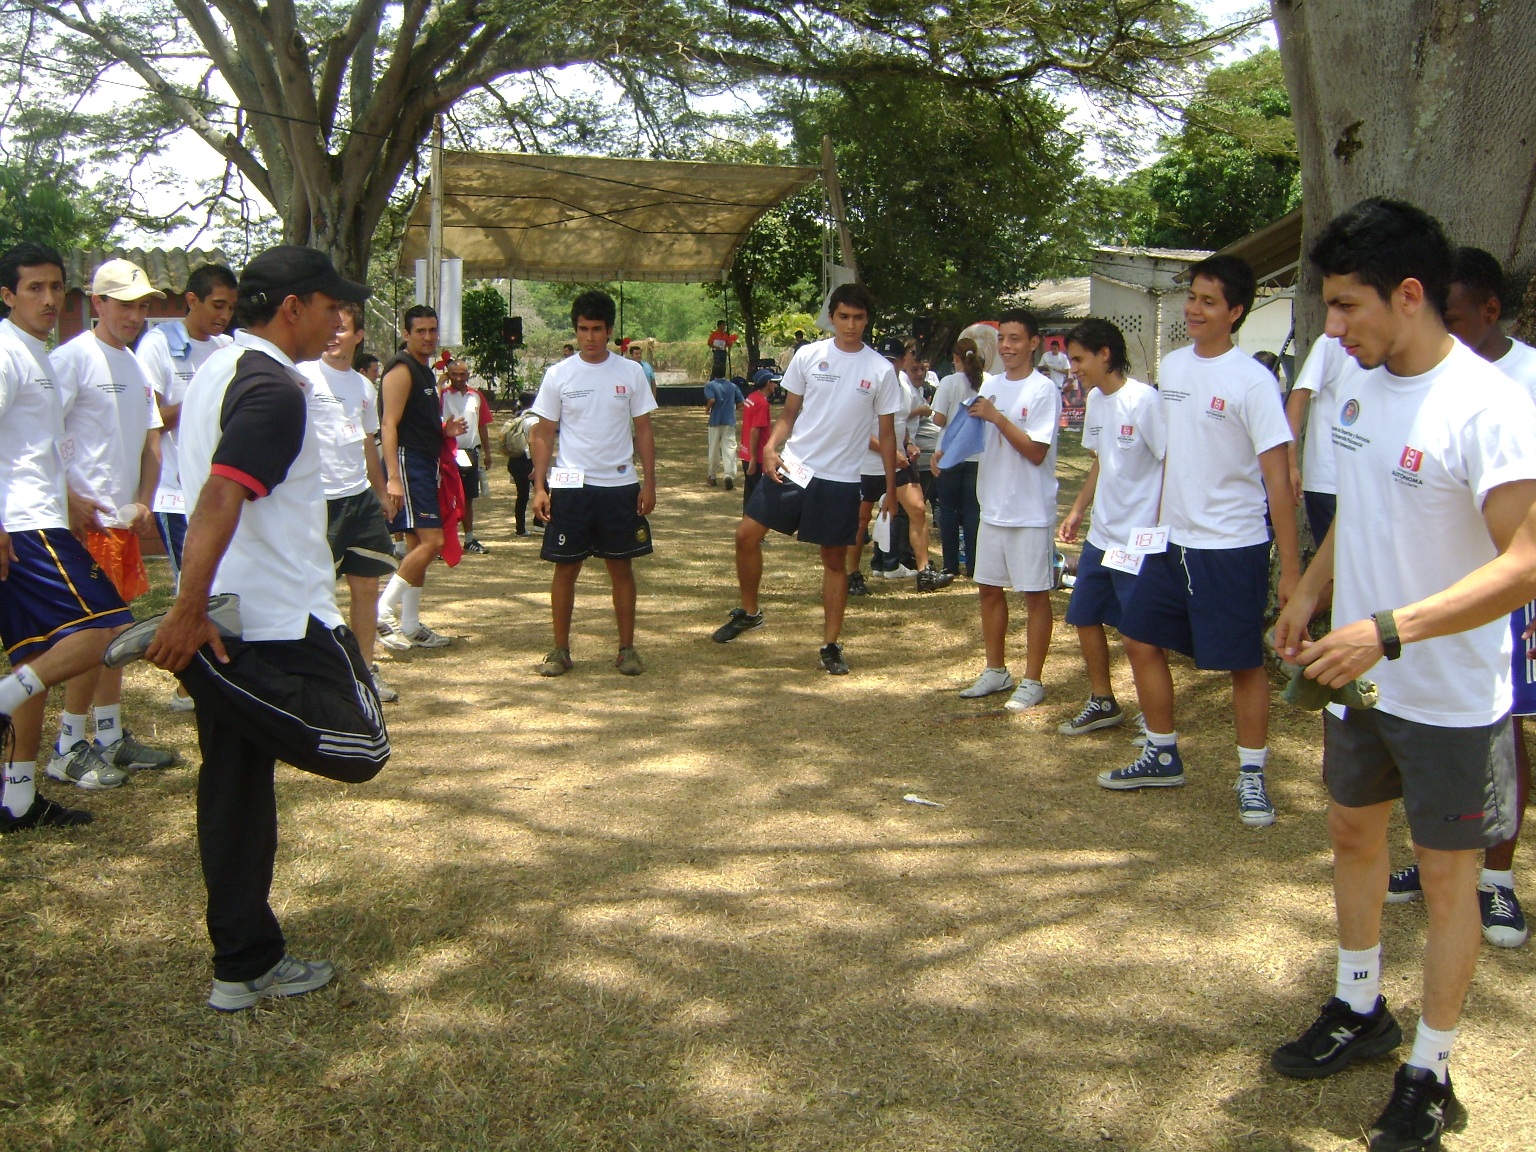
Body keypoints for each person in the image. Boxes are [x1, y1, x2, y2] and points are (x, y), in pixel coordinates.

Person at [1269, 199, 1536, 1152]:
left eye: (1347, 305)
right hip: (1362, 678)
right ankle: (1359, 1007)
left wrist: (1386, 631)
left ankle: (1431, 1068)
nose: (1333, 328)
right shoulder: (1359, 383)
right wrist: (1309, 592)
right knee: (1352, 832)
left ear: (1410, 294)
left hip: (1450, 693)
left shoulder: (1491, 407)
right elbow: (1367, 507)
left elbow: (1525, 564)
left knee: (1450, 877)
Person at [128, 245, 389, 1011]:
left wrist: (198, 606)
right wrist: (186, 610)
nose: (340, 321)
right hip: (273, 620)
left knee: (235, 797)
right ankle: (200, 666)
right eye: (331, 306)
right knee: (364, 746)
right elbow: (221, 494)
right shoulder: (274, 386)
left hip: (233, 612)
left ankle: (241, 966)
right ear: (291, 308)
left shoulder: (218, 369)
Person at [1097, 254, 1300, 830]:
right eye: (1192, 297)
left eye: (1209, 301)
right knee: (1138, 636)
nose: (1194, 309)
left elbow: (1278, 480)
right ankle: (1162, 753)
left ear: (1236, 312)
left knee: (1242, 663)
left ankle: (1253, 774)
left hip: (1232, 546)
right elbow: (1173, 458)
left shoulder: (1253, 381)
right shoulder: (1176, 366)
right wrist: (1152, 530)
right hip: (1171, 542)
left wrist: (1289, 569)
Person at [1379, 244, 1536, 950]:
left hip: (1512, 583)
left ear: (1492, 310)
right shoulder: (1427, 378)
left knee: (1502, 722)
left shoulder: (1523, 380)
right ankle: (1436, 852)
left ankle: (1497, 879)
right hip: (1435, 588)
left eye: (1459, 315)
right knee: (1427, 719)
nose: (1444, 327)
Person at [0, 241, 136, 832]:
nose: (50, 298)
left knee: (34, 655)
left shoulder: (39, 355)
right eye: (35, 288)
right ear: (7, 295)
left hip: (46, 513)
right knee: (108, 627)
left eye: (56, 287)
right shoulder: (6, 352)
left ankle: (16, 799)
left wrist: (72, 499)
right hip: (23, 524)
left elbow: (36, 446)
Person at [711, 282, 899, 675]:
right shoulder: (809, 356)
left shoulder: (880, 370)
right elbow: (789, 414)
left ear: (867, 320)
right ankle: (750, 612)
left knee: (833, 560)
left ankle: (830, 644)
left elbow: (887, 435)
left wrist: (891, 490)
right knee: (746, 535)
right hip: (796, 467)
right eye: (843, 317)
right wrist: (770, 447)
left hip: (841, 479)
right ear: (832, 317)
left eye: (858, 318)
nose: (851, 325)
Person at [49, 258, 180, 784]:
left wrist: (145, 500)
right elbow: (38, 437)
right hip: (81, 526)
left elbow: (152, 443)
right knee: (91, 633)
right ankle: (67, 745)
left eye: (142, 305)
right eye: (124, 304)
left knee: (117, 629)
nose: (134, 315)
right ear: (97, 303)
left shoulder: (135, 365)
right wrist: (69, 499)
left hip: (120, 524)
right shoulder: (71, 359)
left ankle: (108, 734)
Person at [529, 290, 657, 677]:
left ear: (610, 331)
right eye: (583, 329)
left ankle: (627, 649)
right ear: (575, 330)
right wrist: (540, 487)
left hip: (620, 485)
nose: (590, 337)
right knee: (565, 568)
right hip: (570, 487)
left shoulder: (631, 373)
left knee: (621, 567)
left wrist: (649, 482)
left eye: (597, 329)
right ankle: (560, 650)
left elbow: (644, 430)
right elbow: (543, 433)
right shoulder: (559, 374)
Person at [1056, 318, 1164, 736]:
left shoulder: (1144, 400)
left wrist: (1160, 526)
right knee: (1084, 615)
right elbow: (1101, 460)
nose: (1074, 369)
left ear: (1105, 354)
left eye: (1079, 359)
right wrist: (1078, 510)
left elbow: (1170, 461)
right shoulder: (1096, 400)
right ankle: (1103, 701)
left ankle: (1155, 717)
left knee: (1140, 632)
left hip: (1138, 540)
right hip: (1101, 536)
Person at [137, 262, 237, 713]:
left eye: (231, 308)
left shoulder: (226, 348)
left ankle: (211, 675)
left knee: (222, 580)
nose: (224, 316)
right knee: (192, 586)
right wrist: (199, 396)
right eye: (217, 305)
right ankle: (188, 686)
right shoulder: (158, 346)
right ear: (191, 301)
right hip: (176, 491)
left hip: (217, 489)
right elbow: (150, 419)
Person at [955, 309, 1060, 712]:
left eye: (1016, 339)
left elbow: (1035, 451)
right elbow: (974, 435)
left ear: (1034, 343)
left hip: (1030, 509)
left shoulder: (1043, 390)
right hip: (993, 505)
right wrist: (947, 451)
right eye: (1002, 339)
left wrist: (997, 418)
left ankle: (1033, 680)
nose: (1007, 346)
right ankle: (996, 669)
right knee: (988, 589)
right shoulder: (992, 385)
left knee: (1034, 594)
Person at [298, 300, 401, 704]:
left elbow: (366, 444)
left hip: (358, 498)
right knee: (315, 591)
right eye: (330, 326)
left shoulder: (363, 386)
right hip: (315, 501)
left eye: (341, 328)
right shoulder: (303, 375)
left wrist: (381, 491)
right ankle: (316, 674)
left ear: (358, 336)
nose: (333, 335)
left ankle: (364, 672)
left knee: (366, 586)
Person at [376, 306, 465, 649]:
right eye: (420, 331)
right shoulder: (401, 369)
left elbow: (416, 422)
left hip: (425, 462)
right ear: (406, 333)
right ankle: (382, 610)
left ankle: (411, 624)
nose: (428, 337)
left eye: (432, 330)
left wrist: (445, 431)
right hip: (408, 462)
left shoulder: (425, 372)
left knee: (418, 546)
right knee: (432, 542)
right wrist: (393, 478)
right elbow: (388, 425)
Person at [848, 336, 942, 591]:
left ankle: (924, 571)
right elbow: (857, 430)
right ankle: (852, 574)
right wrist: (888, 451)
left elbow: (901, 424)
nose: (888, 365)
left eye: (893, 361)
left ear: (902, 361)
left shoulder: (904, 387)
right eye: (884, 360)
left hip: (898, 463)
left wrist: (908, 444)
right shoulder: (866, 385)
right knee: (860, 520)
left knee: (918, 509)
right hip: (867, 465)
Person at [1286, 333, 1350, 545]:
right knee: (1335, 560)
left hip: (1370, 484)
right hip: (1328, 481)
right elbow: (1297, 399)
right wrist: (1290, 464)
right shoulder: (1332, 342)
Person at [931, 337, 986, 578]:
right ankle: (974, 564)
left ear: (955, 358)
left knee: (948, 510)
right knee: (973, 510)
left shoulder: (949, 382)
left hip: (949, 452)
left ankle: (951, 563)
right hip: (975, 453)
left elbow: (939, 419)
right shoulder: (985, 382)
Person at [440, 358, 489, 554]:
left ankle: (469, 539)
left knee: (468, 498)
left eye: (462, 374)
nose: (459, 378)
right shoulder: (442, 395)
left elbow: (482, 425)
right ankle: (443, 542)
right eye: (454, 374)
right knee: (445, 498)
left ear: (468, 374)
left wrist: (487, 452)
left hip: (469, 453)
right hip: (447, 453)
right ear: (448, 375)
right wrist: (439, 383)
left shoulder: (476, 396)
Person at [739, 367, 777, 509]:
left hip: (746, 452)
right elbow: (755, 430)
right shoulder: (762, 403)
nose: (775, 385)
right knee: (758, 495)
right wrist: (754, 458)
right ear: (767, 383)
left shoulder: (751, 398)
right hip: (758, 456)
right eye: (773, 382)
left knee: (750, 493)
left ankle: (747, 518)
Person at [502, 404, 540, 536]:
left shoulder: (520, 417)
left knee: (522, 495)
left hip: (515, 460)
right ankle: (538, 523)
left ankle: (521, 528)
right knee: (543, 489)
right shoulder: (534, 420)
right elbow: (533, 442)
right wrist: (537, 465)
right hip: (527, 461)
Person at [703, 372, 745, 489]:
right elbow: (741, 403)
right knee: (730, 448)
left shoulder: (710, 385)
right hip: (729, 420)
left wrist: (707, 409)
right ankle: (729, 475)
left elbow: (712, 400)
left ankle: (712, 475)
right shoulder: (733, 386)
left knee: (713, 448)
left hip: (715, 420)